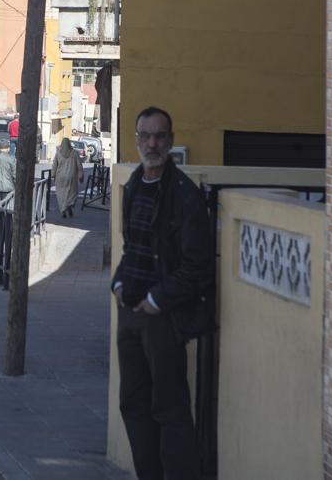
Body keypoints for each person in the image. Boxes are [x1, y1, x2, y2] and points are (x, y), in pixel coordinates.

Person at [111, 106, 213, 480]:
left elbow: (197, 268)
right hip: (131, 315)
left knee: (170, 411)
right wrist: (118, 284)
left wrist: (156, 301)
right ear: (136, 139)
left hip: (163, 318)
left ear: (170, 141)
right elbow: (131, 247)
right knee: (133, 406)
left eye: (159, 136)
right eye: (145, 136)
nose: (151, 143)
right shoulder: (135, 184)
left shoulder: (185, 196)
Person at [52, 137, 82, 218]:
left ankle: (63, 209)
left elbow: (54, 165)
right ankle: (69, 204)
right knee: (72, 193)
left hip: (60, 177)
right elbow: (79, 165)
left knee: (61, 193)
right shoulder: (74, 153)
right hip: (71, 177)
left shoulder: (58, 153)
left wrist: (53, 175)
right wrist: (80, 175)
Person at [0, 137, 15, 211]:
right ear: (8, 148)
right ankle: (7, 222)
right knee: (8, 209)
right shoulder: (11, 159)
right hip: (9, 188)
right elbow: (15, 175)